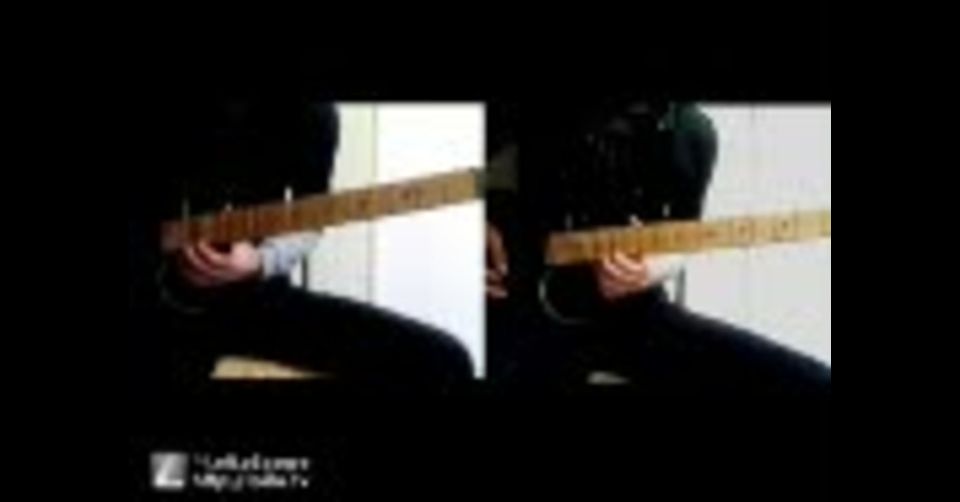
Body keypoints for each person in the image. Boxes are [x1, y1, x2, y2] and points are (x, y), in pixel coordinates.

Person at [128, 91, 474, 393]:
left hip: (255, 299)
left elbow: (312, 221)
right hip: (153, 301)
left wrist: (261, 260)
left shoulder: (314, 113)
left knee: (446, 361)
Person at [485, 100, 831, 392]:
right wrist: (473, 229)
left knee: (809, 380)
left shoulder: (693, 131)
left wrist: (650, 270)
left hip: (634, 315)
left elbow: (683, 240)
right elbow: (460, 164)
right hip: (518, 303)